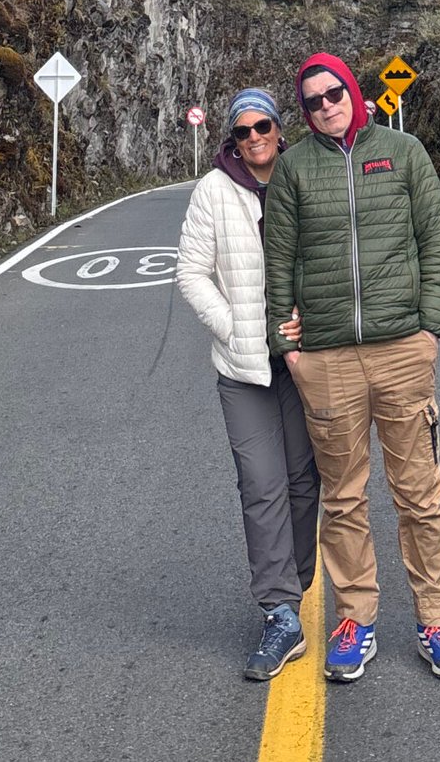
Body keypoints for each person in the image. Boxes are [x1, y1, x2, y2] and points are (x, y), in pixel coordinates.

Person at [263, 52, 440, 683]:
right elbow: (280, 261)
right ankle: (356, 619)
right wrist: (289, 349)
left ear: (353, 90)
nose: (326, 106)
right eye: (312, 102)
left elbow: (435, 241)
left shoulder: (405, 154)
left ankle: (435, 619)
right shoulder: (294, 168)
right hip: (326, 359)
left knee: (420, 495)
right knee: (344, 499)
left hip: (402, 350)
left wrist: (432, 328)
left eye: (334, 94)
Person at [176, 87, 320, 681]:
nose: (255, 138)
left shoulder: (304, 176)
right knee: (261, 485)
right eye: (243, 131)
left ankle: (298, 580)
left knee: (305, 480)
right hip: (243, 368)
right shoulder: (213, 189)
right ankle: (280, 609)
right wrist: (233, 327)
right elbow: (191, 271)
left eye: (264, 127)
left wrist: (315, 316)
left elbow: (332, 255)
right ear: (231, 138)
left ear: (279, 129)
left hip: (303, 359)